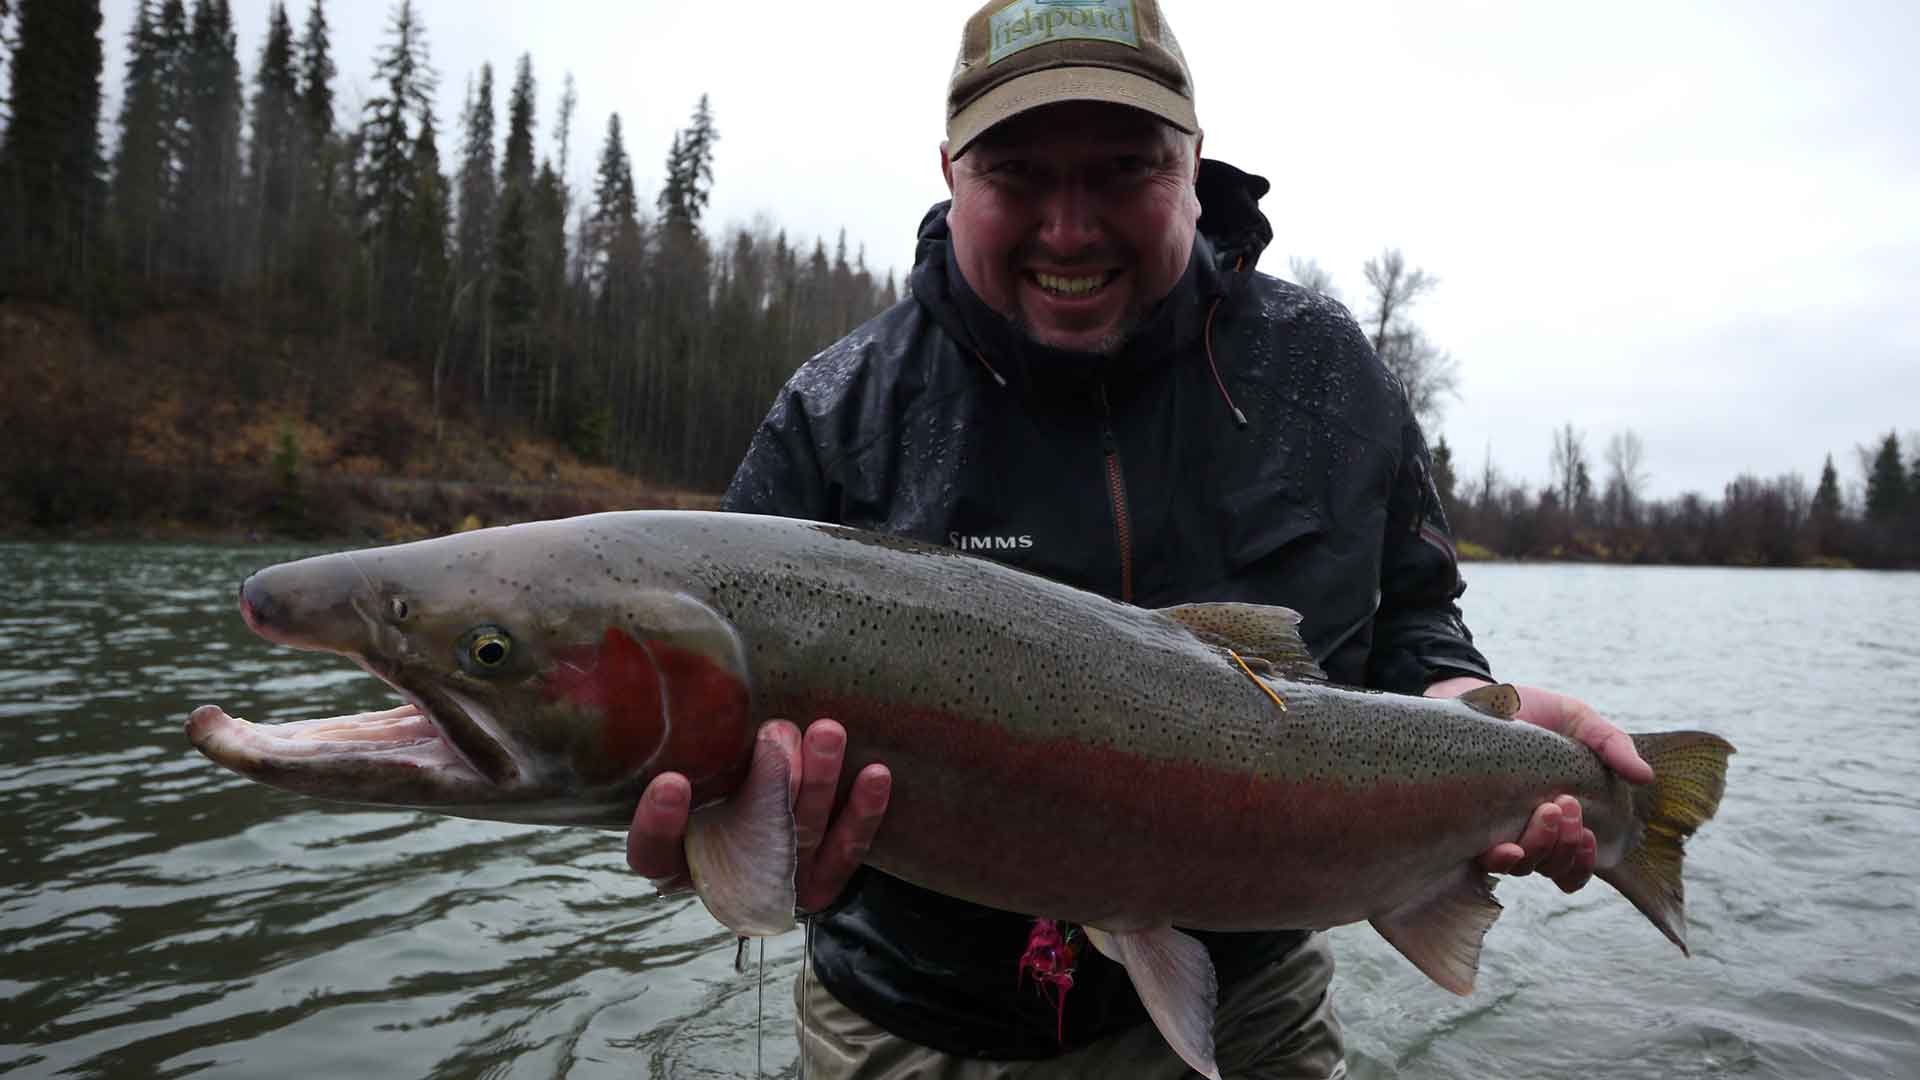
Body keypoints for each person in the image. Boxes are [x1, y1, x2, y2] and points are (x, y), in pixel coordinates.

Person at [628, 1, 1653, 1075]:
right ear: (948, 172)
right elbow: (714, 744)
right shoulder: (840, 416)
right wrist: (716, 845)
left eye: (1125, 168)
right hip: (911, 1023)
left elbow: (1416, 625)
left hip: (1252, 999)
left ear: (1194, 163)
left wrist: (1472, 724)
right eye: (1017, 173)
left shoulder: (1323, 375)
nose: (1069, 230)